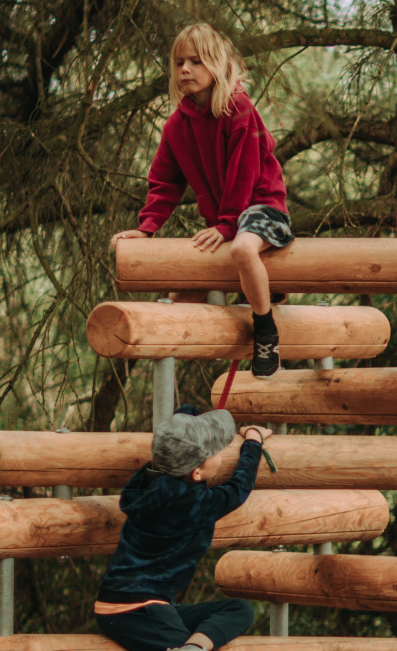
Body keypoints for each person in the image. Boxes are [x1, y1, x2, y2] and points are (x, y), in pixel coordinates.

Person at [109, 23, 292, 379]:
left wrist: (226, 225)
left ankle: (266, 330)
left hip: (262, 208)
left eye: (195, 61)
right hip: (227, 221)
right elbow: (164, 184)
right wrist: (146, 229)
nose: (185, 70)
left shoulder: (237, 108)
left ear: (216, 64)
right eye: (179, 63)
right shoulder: (176, 127)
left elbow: (245, 172)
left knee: (241, 250)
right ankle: (163, 359)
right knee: (178, 298)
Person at [94, 404, 274, 651]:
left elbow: (172, 442)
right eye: (216, 452)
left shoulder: (147, 481)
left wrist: (188, 415)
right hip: (136, 610)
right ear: (197, 472)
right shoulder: (195, 503)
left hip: (130, 603)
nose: (220, 454)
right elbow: (238, 488)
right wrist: (253, 442)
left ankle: (193, 648)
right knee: (237, 613)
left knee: (239, 609)